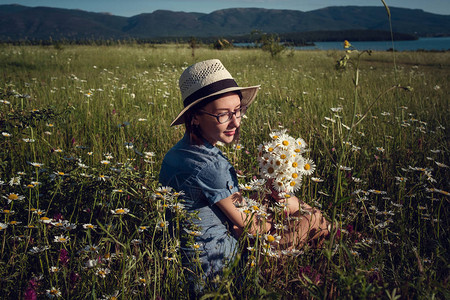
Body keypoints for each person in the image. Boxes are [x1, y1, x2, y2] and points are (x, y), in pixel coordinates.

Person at [159, 59, 329, 289]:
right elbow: (252, 228)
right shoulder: (211, 164)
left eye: (238, 111)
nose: (235, 122)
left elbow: (219, 207)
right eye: (223, 115)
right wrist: (284, 214)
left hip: (187, 259)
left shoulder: (178, 152)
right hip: (219, 270)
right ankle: (330, 269)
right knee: (313, 217)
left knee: (291, 206)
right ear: (195, 117)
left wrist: (267, 199)